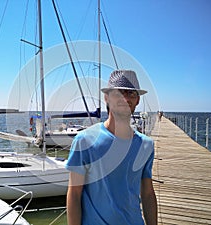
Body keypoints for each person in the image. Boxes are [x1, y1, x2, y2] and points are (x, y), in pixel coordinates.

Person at [66, 69, 157, 225]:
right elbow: (74, 193)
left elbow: (148, 193)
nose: (125, 98)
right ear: (106, 98)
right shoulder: (85, 141)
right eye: (118, 93)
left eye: (131, 94)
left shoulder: (146, 145)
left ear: (138, 100)